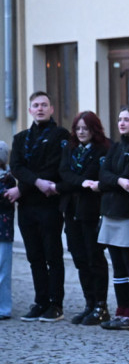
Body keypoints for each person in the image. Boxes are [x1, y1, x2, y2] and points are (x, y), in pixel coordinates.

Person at [6, 91, 71, 321]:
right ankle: (40, 301)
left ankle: (56, 303)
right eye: (36, 105)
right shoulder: (21, 137)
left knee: (52, 255)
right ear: (30, 110)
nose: (40, 108)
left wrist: (27, 185)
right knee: (34, 256)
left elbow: (54, 167)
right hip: (27, 206)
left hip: (49, 204)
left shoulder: (60, 135)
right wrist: (34, 183)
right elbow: (17, 167)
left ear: (52, 109)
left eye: (45, 104)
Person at [97, 105, 129, 330]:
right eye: (120, 119)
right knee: (116, 264)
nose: (121, 123)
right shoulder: (116, 146)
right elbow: (104, 174)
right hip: (110, 210)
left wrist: (115, 180)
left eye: (127, 119)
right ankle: (120, 310)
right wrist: (118, 182)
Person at [58, 111, 111, 325]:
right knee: (79, 257)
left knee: (94, 257)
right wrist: (80, 183)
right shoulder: (70, 149)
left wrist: (77, 182)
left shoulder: (104, 149)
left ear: (94, 129)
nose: (81, 132)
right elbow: (63, 173)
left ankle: (101, 304)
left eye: (85, 128)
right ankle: (89, 303)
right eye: (78, 128)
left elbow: (95, 175)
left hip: (91, 210)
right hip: (72, 209)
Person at [0, 141, 14, 320]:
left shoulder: (8, 178)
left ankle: (4, 308)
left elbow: (6, 199)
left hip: (3, 230)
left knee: (3, 271)